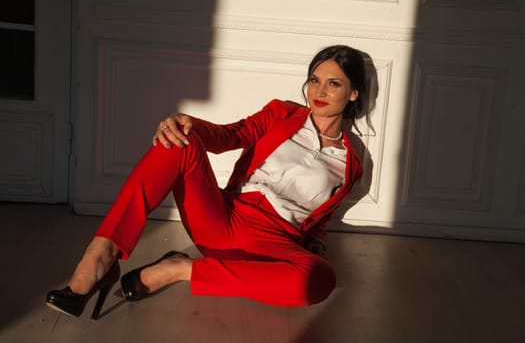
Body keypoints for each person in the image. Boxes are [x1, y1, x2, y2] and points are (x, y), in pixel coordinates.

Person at [46, 44, 372, 320]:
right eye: (315, 80)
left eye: (333, 84)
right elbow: (230, 135)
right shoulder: (282, 114)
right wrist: (189, 123)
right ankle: (100, 255)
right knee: (178, 140)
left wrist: (317, 245)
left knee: (321, 279)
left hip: (271, 245)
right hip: (222, 218)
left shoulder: (352, 162)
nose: (319, 91)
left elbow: (319, 220)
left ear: (353, 92)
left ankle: (180, 269)